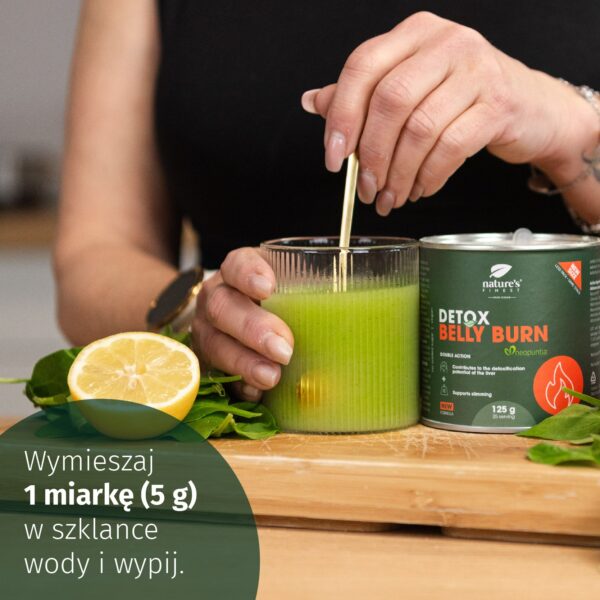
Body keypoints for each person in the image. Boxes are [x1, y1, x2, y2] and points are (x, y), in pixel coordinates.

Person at [54, 0, 600, 401]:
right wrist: (203, 314)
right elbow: (95, 252)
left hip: (549, 430)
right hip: (262, 438)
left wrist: (569, 125)